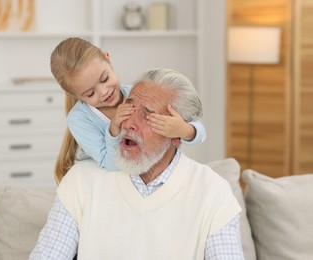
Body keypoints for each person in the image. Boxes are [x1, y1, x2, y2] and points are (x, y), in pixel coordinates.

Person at [29, 68, 243, 260]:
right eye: (127, 109)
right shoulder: (81, 181)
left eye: (147, 115)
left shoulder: (213, 192)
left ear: (177, 134)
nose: (129, 123)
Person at [50, 37, 206, 182]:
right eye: (90, 93)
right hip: (106, 179)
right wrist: (113, 129)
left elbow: (201, 133)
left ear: (108, 60)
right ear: (72, 94)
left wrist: (184, 130)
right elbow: (110, 164)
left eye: (105, 79)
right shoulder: (79, 119)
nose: (104, 92)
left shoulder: (137, 94)